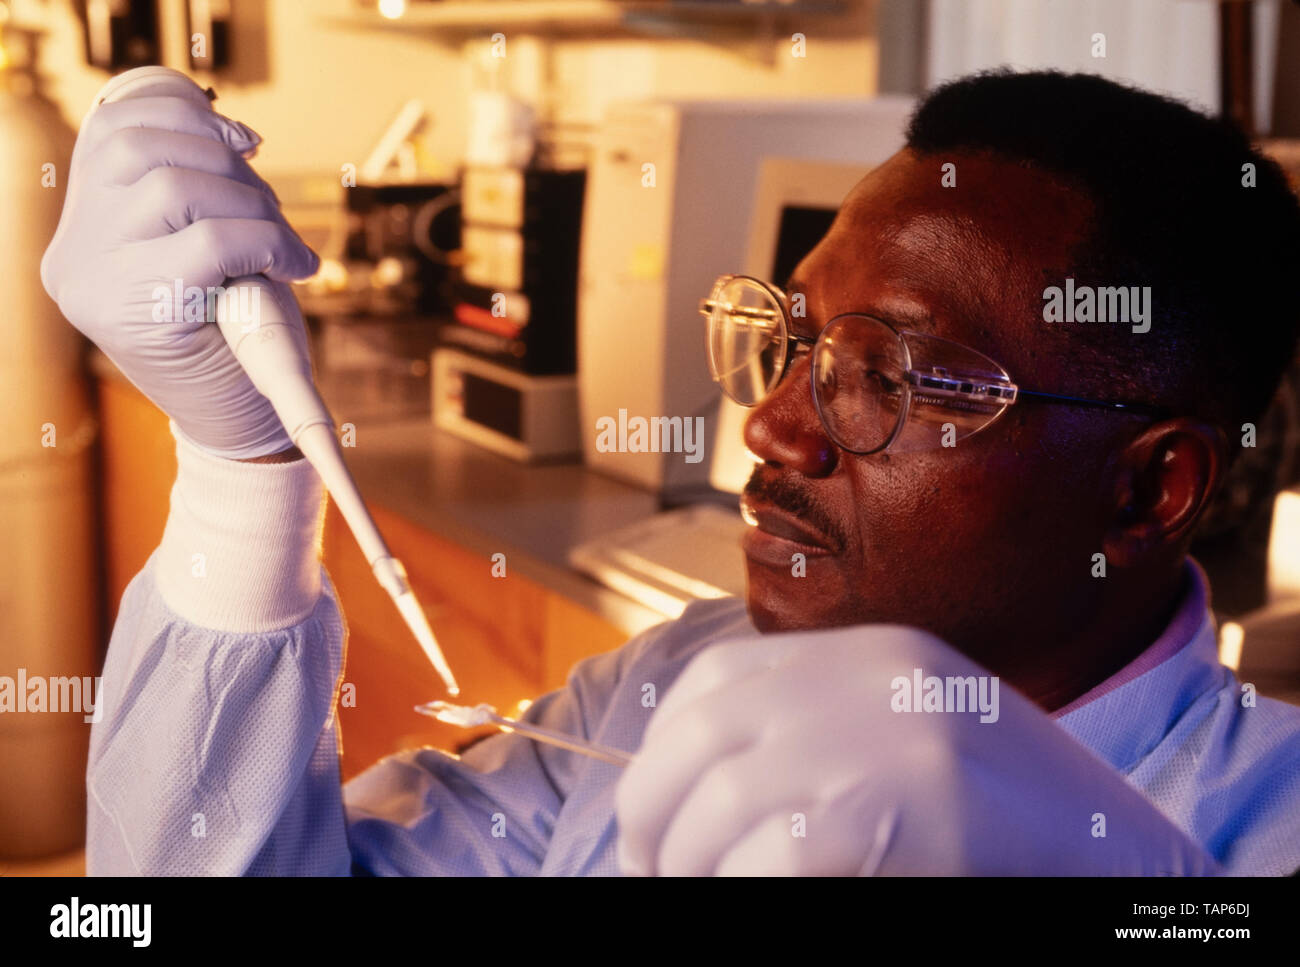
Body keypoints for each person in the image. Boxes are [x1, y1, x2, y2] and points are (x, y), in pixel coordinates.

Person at [42, 69, 1300, 876]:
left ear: (1147, 492)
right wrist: (242, 462)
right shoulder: (670, 690)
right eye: (793, 340)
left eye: (893, 377)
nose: (774, 430)